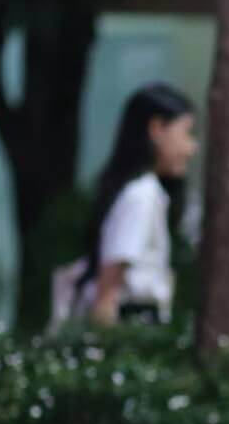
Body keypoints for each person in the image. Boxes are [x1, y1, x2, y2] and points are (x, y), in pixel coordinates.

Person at [61, 83, 197, 326]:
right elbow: (107, 290)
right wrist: (104, 343)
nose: (191, 148)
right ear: (157, 129)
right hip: (131, 324)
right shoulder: (141, 196)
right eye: (186, 132)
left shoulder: (145, 193)